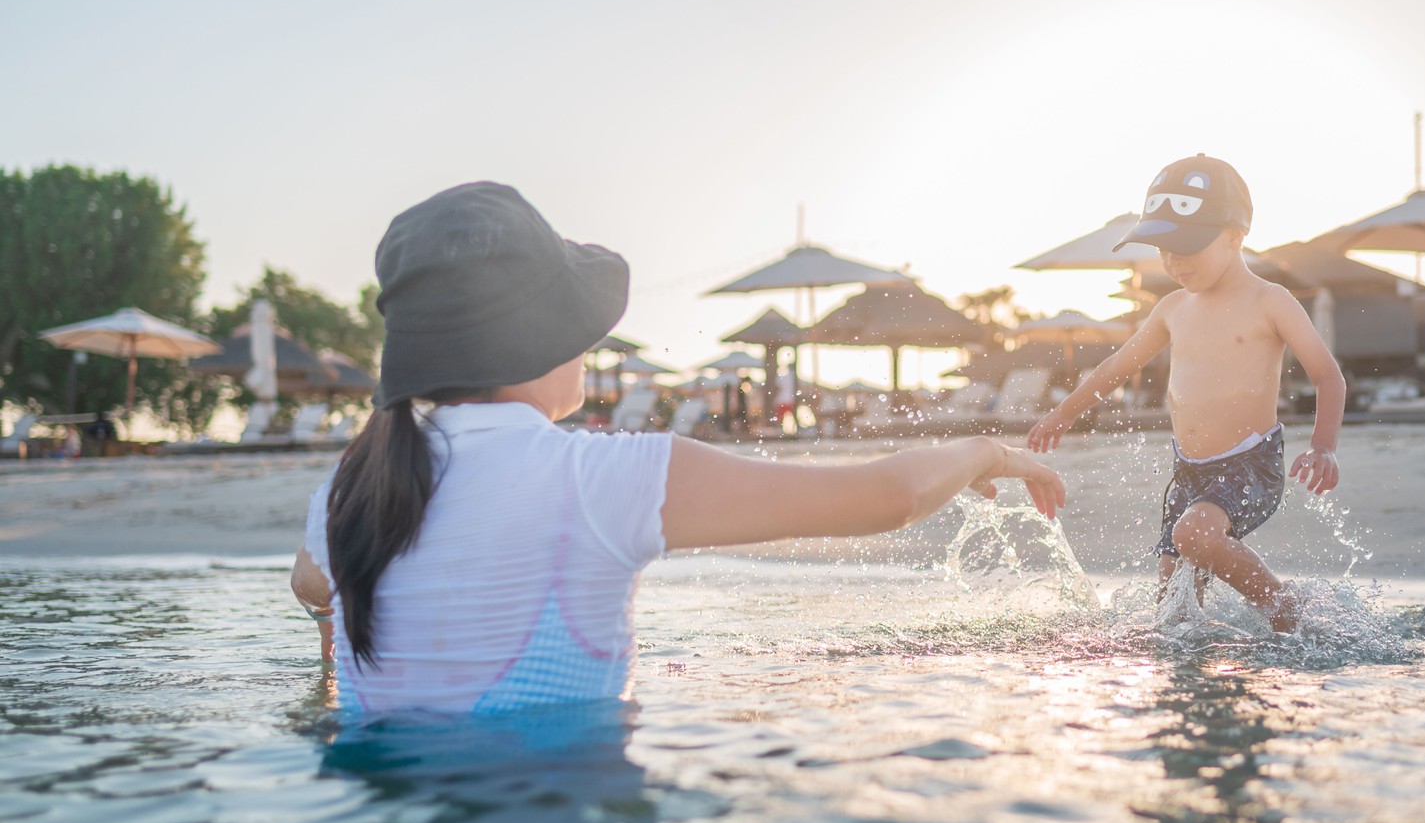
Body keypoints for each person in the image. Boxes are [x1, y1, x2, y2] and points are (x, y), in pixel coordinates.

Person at [290, 182, 1063, 715]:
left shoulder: (353, 487)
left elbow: (312, 583)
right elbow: (887, 496)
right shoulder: (602, 479)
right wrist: (985, 449)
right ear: (536, 335)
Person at [1027, 155, 1344, 633]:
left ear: (1235, 237)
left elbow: (1328, 376)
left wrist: (1323, 447)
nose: (1173, 261)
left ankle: (1286, 612)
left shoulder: (1270, 301)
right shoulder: (1172, 308)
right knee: (1172, 617)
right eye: (1162, 249)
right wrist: (1062, 414)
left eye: (1186, 247)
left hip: (1250, 463)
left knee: (1194, 534)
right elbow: (1116, 366)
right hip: (1188, 471)